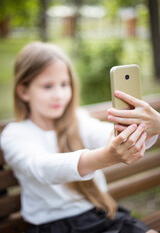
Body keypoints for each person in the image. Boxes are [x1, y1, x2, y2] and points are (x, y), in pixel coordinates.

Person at [1, 42, 159, 233]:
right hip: (53, 227)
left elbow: (106, 135)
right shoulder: (15, 135)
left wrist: (148, 127)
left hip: (103, 217)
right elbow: (43, 168)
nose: (59, 95)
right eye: (47, 86)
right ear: (24, 91)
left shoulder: (79, 121)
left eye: (64, 84)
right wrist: (105, 157)